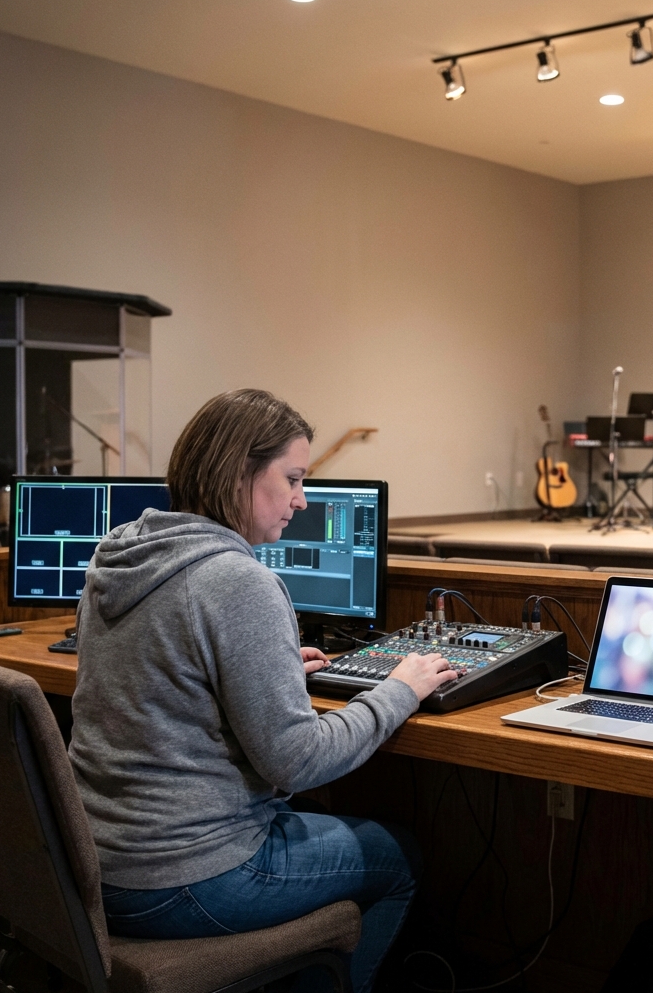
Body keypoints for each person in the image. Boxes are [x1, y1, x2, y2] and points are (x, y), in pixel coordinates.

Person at [69, 389, 455, 993]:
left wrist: (265, 668)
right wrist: (399, 689)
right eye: (293, 479)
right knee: (399, 856)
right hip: (184, 879)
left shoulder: (122, 556)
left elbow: (163, 676)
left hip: (95, 868)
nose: (302, 501)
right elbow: (299, 762)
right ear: (237, 473)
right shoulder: (236, 579)